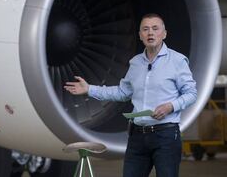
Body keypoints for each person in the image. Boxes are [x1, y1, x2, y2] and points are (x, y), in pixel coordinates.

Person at [64, 13, 197, 177]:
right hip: (137, 137)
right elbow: (122, 93)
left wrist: (171, 106)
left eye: (155, 29)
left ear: (164, 33)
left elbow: (191, 94)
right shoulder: (135, 63)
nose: (150, 33)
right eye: (145, 29)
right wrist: (89, 89)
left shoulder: (177, 61)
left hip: (166, 135)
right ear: (140, 35)